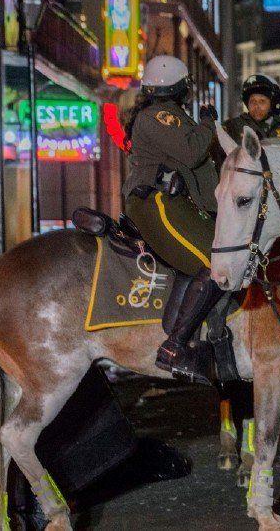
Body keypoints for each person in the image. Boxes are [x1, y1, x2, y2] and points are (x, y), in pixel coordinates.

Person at [120, 55, 221, 384]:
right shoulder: (161, 116)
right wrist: (208, 122)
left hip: (176, 202)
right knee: (217, 263)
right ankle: (175, 348)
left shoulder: (166, 115)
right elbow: (193, 152)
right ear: (182, 88)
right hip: (157, 202)